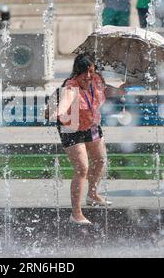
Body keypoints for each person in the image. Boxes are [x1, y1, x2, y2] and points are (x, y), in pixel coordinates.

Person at [56, 53, 126, 224]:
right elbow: (63, 105)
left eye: (91, 71)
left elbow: (107, 90)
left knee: (100, 159)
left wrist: (122, 89)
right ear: (76, 72)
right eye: (83, 72)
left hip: (91, 125)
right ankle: (76, 213)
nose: (87, 76)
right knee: (82, 168)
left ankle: (92, 194)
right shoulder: (71, 87)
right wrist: (60, 110)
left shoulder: (96, 81)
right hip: (71, 127)